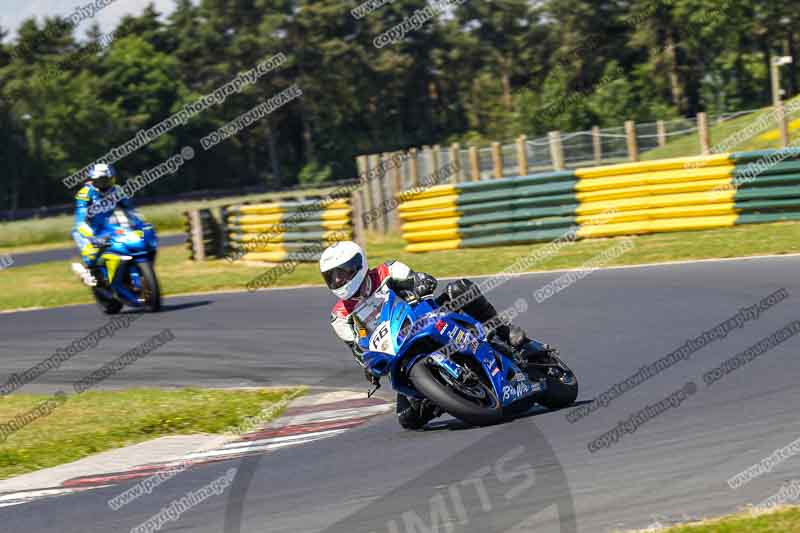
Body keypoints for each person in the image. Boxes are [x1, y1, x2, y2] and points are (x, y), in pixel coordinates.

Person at [320, 240, 554, 430]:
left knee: (460, 289)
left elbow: (418, 279)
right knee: (407, 419)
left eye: (341, 273)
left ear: (357, 265)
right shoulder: (339, 317)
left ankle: (504, 331)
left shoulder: (387, 270)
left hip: (426, 319)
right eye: (332, 277)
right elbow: (357, 349)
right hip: (396, 351)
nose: (338, 280)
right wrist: (368, 367)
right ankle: (443, 394)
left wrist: (422, 283)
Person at [71, 163, 146, 287]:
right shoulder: (85, 194)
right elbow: (80, 221)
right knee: (91, 254)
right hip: (86, 230)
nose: (104, 184)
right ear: (93, 180)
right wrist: (92, 237)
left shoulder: (117, 190)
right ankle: (86, 272)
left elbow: (130, 210)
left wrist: (140, 225)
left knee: (126, 244)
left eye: (106, 180)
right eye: (100, 181)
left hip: (106, 227)